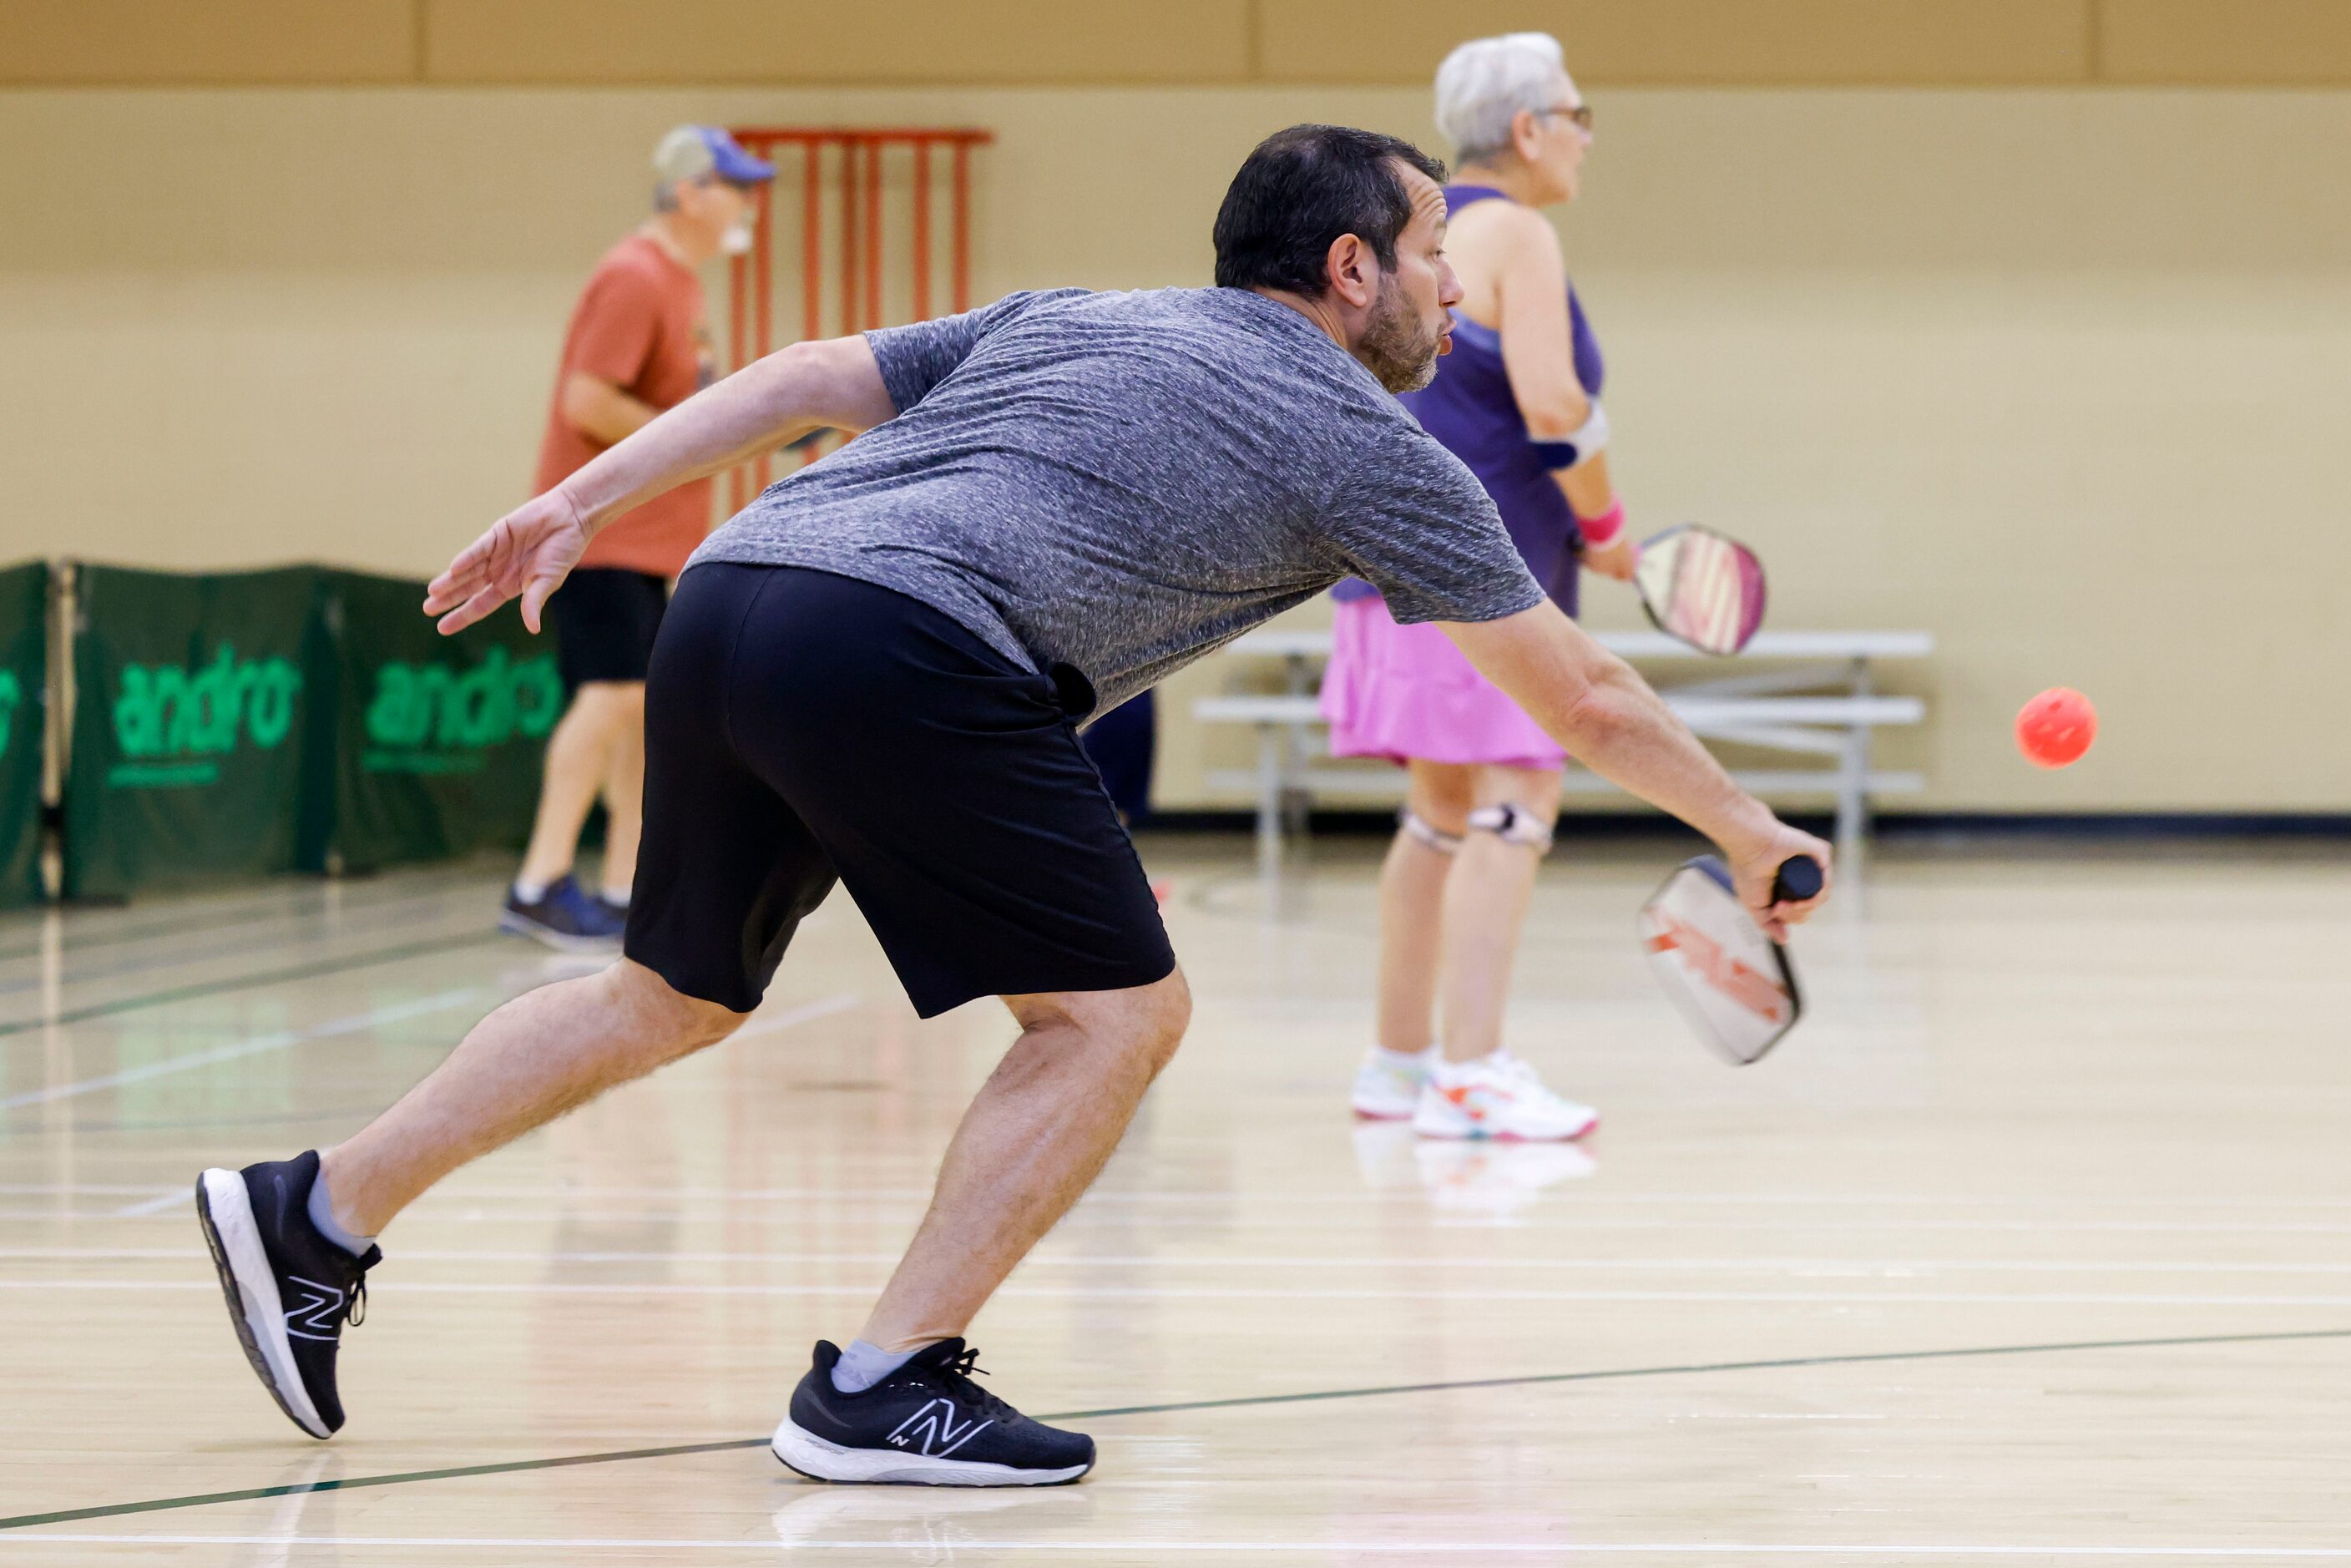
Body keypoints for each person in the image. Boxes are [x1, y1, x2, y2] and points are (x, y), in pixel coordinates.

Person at [195, 124, 1829, 1487]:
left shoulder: (1084, 313)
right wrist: (1752, 835)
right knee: (1114, 1019)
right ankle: (882, 1379)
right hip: (908, 640)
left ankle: (317, 1209)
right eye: (1426, 253)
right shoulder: (1372, 444)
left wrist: (572, 501)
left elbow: (808, 376)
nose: (1450, 288)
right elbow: (1585, 699)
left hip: (739, 588)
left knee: (666, 995)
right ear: (1347, 269)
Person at [1326, 34, 1631, 1142]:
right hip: (1486, 580)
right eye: (1577, 112)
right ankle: (1475, 1070)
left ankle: (1398, 1065)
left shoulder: (1415, 235)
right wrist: (1607, 522)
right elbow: (1552, 404)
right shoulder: (1520, 233)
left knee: (1441, 812)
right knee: (1517, 804)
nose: (1589, 135)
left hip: (1384, 566)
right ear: (1530, 130)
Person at [499, 125, 773, 949]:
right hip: (604, 535)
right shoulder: (633, 276)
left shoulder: (682, 287)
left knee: (648, 711)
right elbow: (588, 400)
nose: (749, 205)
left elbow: (690, 398)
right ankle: (539, 881)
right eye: (736, 186)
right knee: (611, 695)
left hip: (657, 541)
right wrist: (685, 436)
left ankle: (625, 890)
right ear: (690, 192)